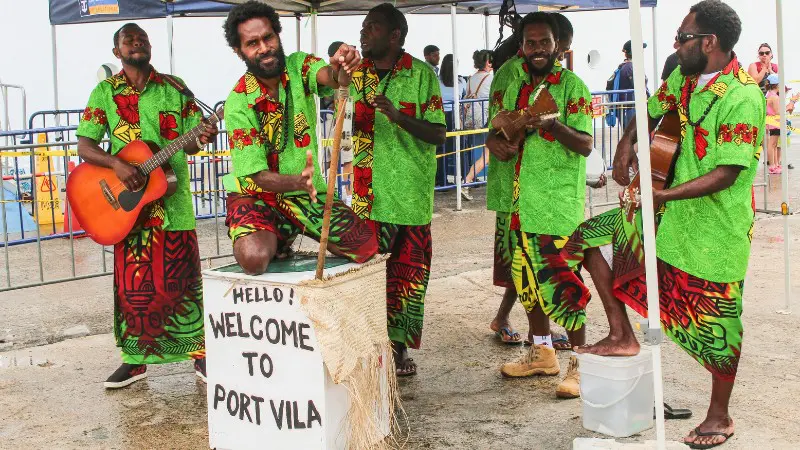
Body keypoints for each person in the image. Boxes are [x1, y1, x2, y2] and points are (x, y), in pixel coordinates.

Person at [556, 1, 763, 447]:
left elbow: (727, 171)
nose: (675, 44)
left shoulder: (744, 97)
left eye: (683, 37)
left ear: (709, 43)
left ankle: (719, 415)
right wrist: (626, 145)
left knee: (719, 321)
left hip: (713, 227)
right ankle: (622, 333)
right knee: (587, 238)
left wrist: (660, 194)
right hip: (664, 212)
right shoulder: (682, 78)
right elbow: (651, 109)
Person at [76, 23, 219, 389]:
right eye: (129, 40)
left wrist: (203, 135)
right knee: (132, 290)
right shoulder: (104, 92)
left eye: (142, 39)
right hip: (129, 209)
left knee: (183, 284)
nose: (136, 43)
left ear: (150, 46)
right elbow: (86, 146)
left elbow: (191, 145)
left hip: (172, 204)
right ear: (117, 52)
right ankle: (134, 361)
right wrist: (117, 164)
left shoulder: (174, 86)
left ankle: (200, 356)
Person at [221, 1, 379, 277]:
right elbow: (257, 176)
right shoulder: (237, 102)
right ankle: (278, 234)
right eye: (252, 43)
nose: (264, 48)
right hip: (255, 196)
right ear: (239, 51)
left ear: (277, 35)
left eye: (268, 37)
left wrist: (342, 67)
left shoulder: (298, 65)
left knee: (365, 246)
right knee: (253, 258)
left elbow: (331, 77)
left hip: (306, 194)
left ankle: (286, 229)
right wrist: (298, 181)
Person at [486, 12, 594, 399]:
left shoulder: (572, 87)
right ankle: (543, 352)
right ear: (522, 46)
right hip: (519, 204)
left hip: (554, 203)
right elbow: (496, 131)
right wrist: (493, 141)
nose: (537, 50)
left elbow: (586, 144)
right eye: (531, 43)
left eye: (544, 42)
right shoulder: (514, 84)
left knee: (563, 286)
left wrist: (552, 125)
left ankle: (580, 364)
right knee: (527, 283)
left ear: (558, 46)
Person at [351, 3, 446, 376]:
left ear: (394, 35)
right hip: (365, 197)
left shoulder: (421, 76)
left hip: (407, 196)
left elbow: (438, 133)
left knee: (406, 278)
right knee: (366, 278)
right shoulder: (358, 75)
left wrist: (398, 116)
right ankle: (368, 346)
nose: (363, 33)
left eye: (371, 27)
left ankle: (399, 350)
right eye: (363, 27)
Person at [322, 40, 354, 203]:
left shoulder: (350, 72)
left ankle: (347, 195)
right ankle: (337, 193)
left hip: (344, 123)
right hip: (332, 123)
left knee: (345, 159)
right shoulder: (328, 74)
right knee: (332, 161)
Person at [460, 49, 494, 201]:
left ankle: (466, 182)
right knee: (486, 156)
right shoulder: (491, 78)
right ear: (488, 62)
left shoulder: (471, 79)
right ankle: (466, 183)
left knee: (487, 155)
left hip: (474, 120)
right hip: (489, 120)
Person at [607, 40, 649, 128]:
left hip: (626, 108)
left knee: (629, 134)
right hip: (630, 108)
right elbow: (640, 86)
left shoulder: (624, 66)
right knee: (633, 136)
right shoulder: (630, 67)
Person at [764, 74, 797, 174]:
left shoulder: (769, 94)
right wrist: (791, 103)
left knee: (773, 145)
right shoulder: (774, 97)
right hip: (775, 123)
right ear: (777, 85)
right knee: (772, 144)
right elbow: (779, 112)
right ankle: (773, 166)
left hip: (772, 122)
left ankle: (775, 165)